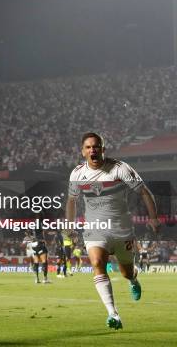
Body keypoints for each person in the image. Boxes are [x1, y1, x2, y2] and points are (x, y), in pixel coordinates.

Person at [66, 132, 160, 330]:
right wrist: (70, 224)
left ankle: (133, 279)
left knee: (126, 272)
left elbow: (144, 191)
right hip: (95, 229)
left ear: (103, 149)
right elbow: (72, 201)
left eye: (96, 146)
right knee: (97, 263)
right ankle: (113, 314)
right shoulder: (77, 174)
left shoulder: (120, 168)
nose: (93, 150)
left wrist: (153, 218)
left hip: (121, 228)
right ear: (83, 151)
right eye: (89, 147)